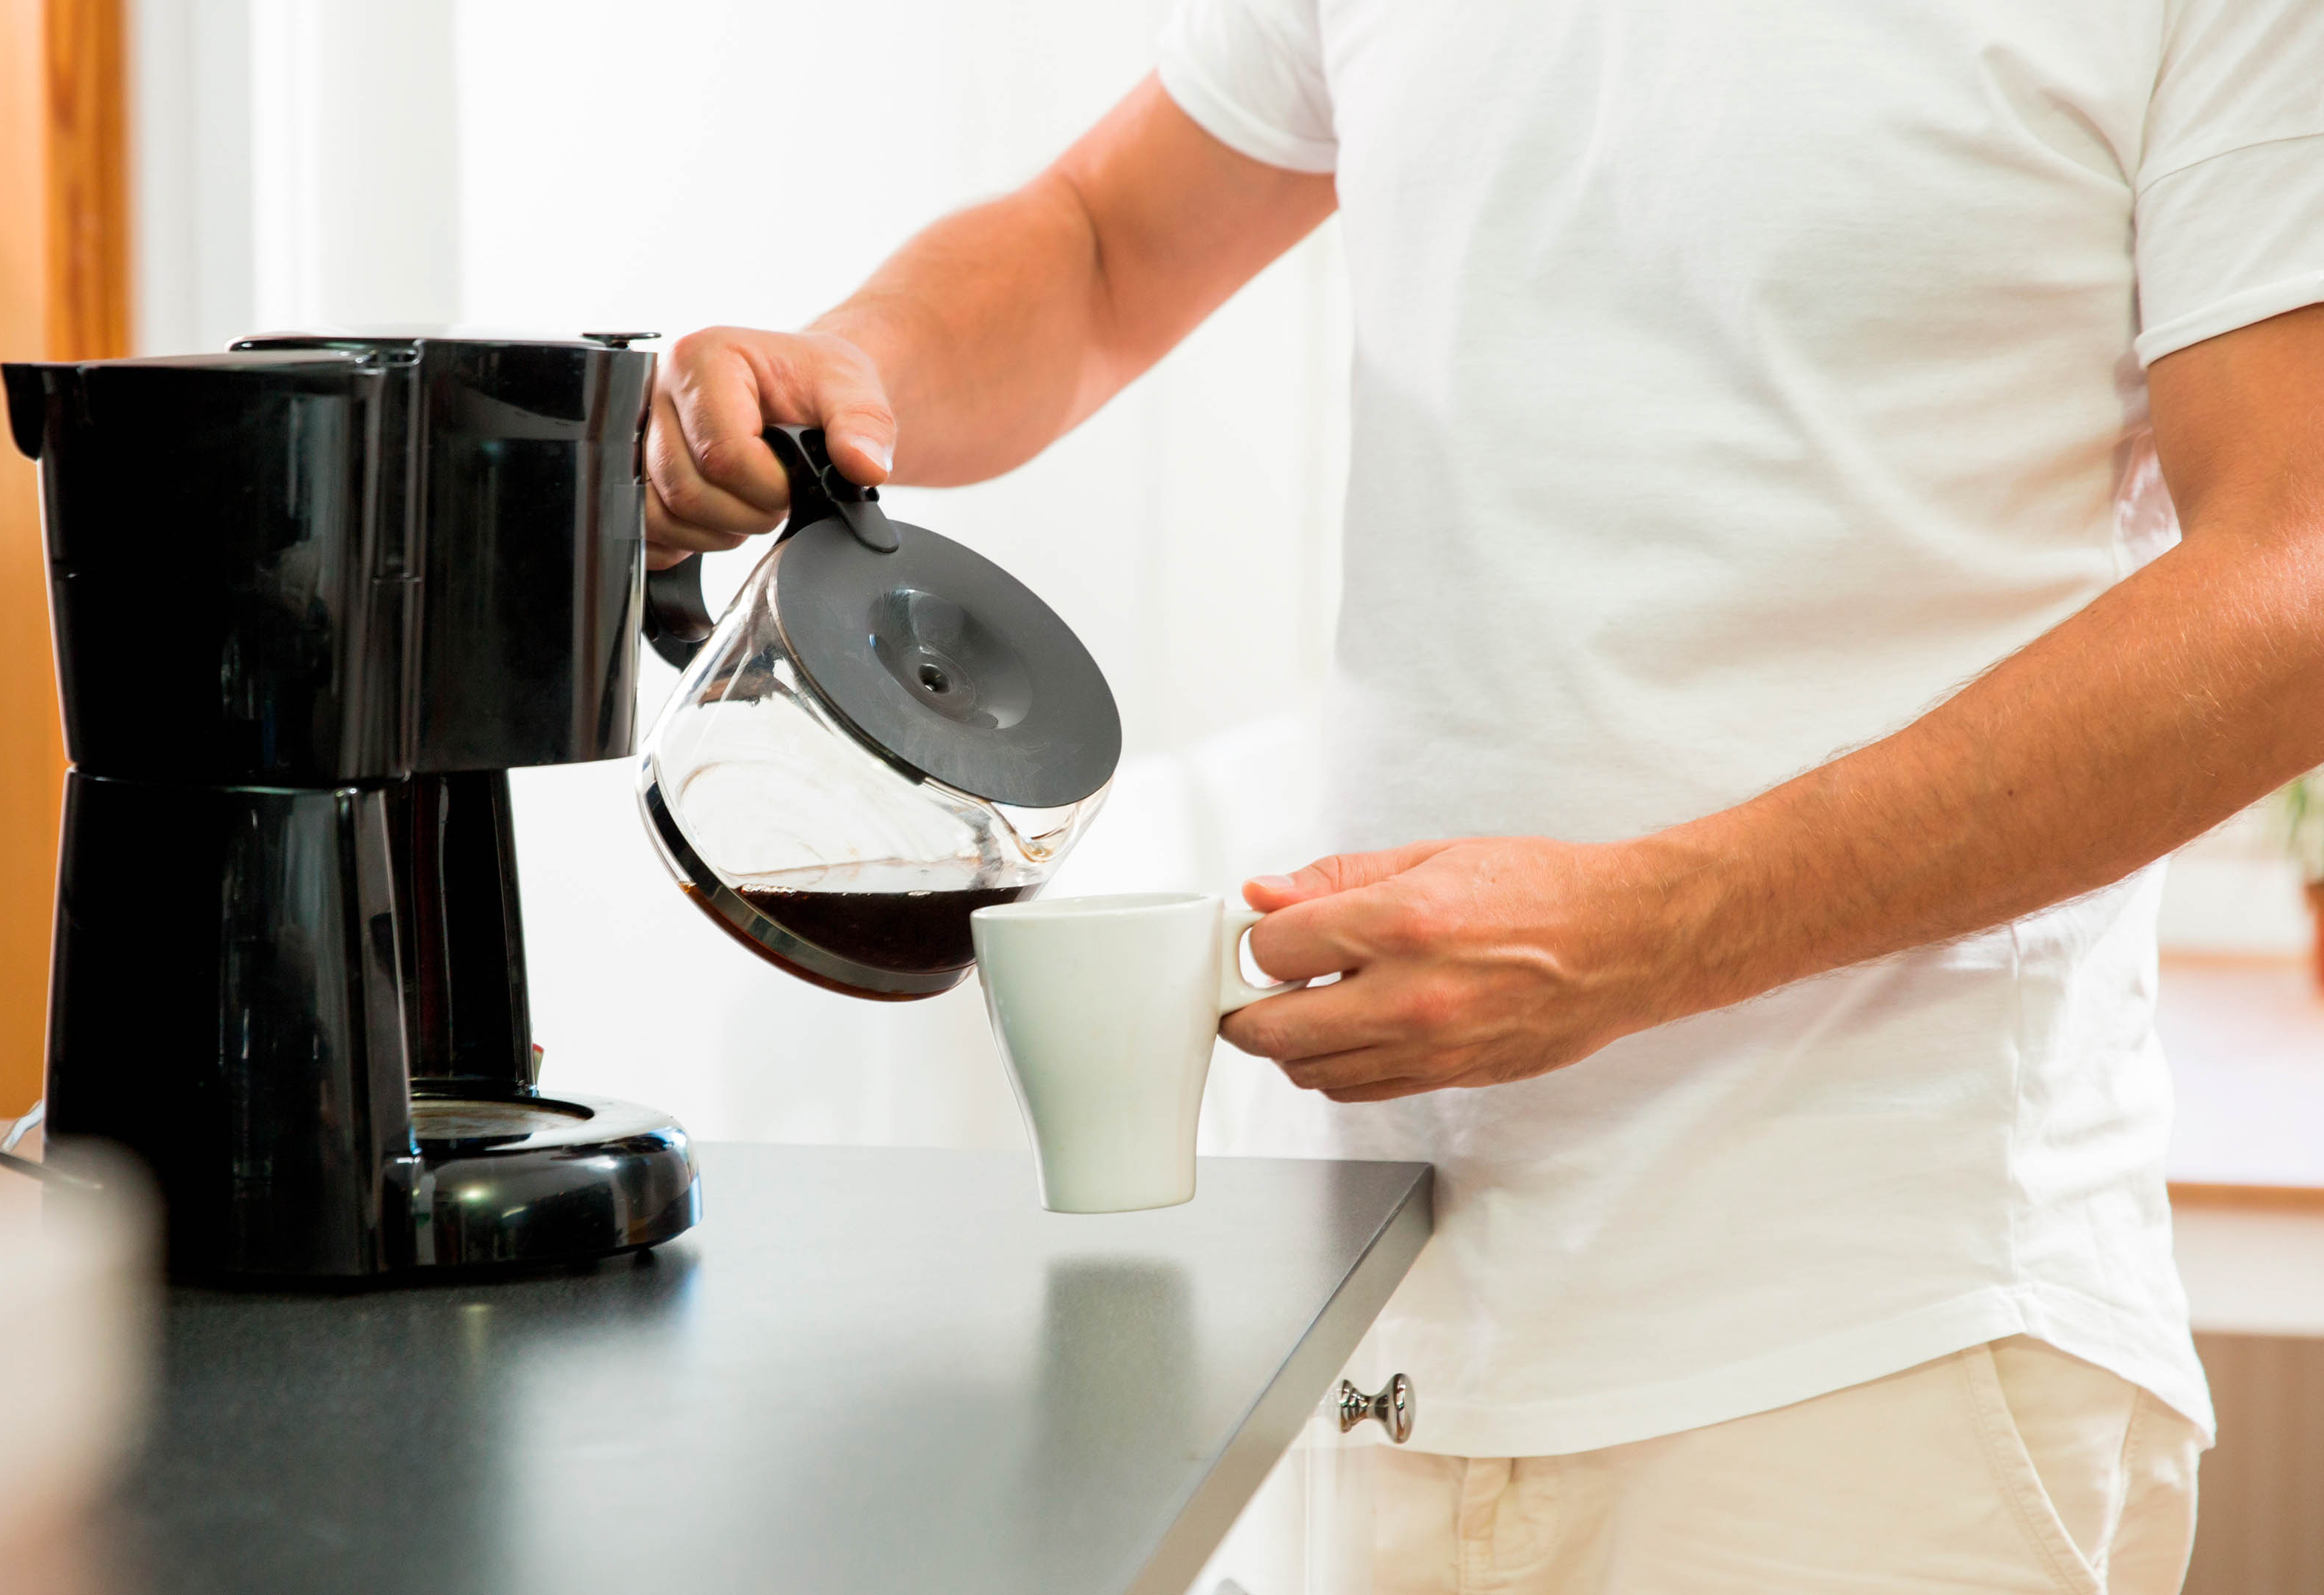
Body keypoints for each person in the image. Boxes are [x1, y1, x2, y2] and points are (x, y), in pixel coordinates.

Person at [641, 0, 2324, 1587]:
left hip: (1876, 1344)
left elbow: (2292, 584)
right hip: (1383, 1328)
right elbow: (1100, 245)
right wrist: (842, 369)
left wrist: (1656, 929)